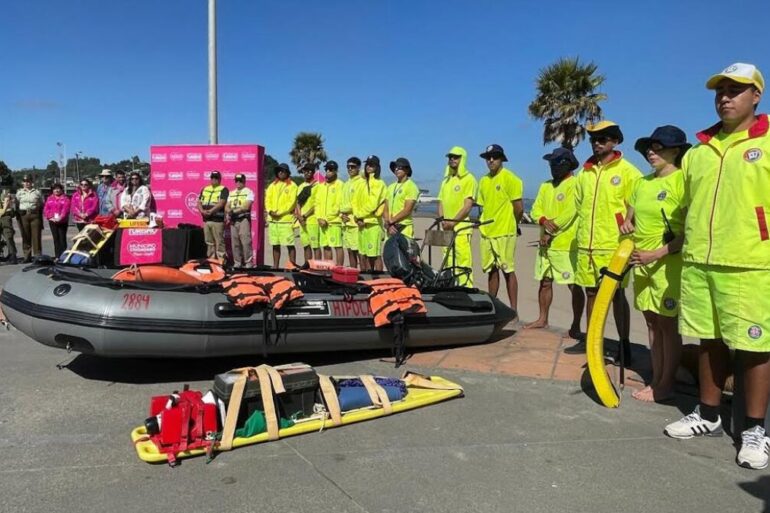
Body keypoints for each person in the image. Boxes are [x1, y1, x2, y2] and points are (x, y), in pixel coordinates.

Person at [662, 63, 770, 469]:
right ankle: (708, 415)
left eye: (736, 90)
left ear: (756, 95)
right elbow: (684, 200)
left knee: (756, 347)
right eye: (720, 90)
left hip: (752, 264)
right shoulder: (700, 151)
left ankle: (756, 430)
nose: (725, 97)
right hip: (700, 263)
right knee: (708, 340)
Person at [619, 126, 690, 402]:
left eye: (659, 147)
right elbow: (631, 219)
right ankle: (657, 376)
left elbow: (689, 231)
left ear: (675, 150)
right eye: (649, 147)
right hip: (641, 262)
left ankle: (665, 383)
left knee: (667, 324)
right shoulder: (642, 183)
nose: (651, 151)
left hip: (668, 263)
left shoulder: (683, 181)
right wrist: (627, 224)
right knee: (651, 321)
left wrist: (657, 254)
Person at [563, 121, 642, 364]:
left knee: (616, 295)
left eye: (603, 139)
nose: (597, 143)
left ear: (615, 141)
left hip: (613, 246)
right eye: (594, 139)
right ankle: (591, 342)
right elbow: (579, 205)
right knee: (591, 293)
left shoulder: (629, 172)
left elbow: (637, 204)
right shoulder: (584, 174)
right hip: (587, 244)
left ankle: (624, 346)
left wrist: (629, 220)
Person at [526, 148, 583, 336]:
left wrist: (551, 230)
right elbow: (535, 209)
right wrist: (543, 220)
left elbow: (570, 213)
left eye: (557, 163)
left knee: (573, 284)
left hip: (565, 245)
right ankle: (543, 318)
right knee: (545, 281)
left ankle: (576, 324)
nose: (553, 167)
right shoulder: (545, 186)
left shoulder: (575, 184)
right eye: (551, 164)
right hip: (545, 245)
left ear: (567, 164)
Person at [477, 144, 524, 311]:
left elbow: (519, 208)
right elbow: (482, 206)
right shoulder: (483, 180)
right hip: (487, 232)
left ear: (502, 159)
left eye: (494, 157)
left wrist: (514, 224)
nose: (490, 160)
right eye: (488, 157)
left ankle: (513, 310)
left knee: (507, 270)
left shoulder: (511, 178)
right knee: (491, 270)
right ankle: (493, 305)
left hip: (504, 231)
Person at [438, 146, 477, 287]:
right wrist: (443, 220)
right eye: (450, 157)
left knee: (463, 262)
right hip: (446, 229)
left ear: (462, 158)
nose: (452, 159)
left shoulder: (469, 179)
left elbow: (467, 206)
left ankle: (467, 289)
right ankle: (449, 288)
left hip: (461, 229)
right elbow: (441, 202)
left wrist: (453, 223)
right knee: (447, 261)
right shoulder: (445, 181)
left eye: (456, 157)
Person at [353, 155, 386, 271]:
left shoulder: (379, 183)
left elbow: (373, 203)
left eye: (371, 165)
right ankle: (366, 279)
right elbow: (355, 201)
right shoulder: (362, 183)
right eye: (367, 164)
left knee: (375, 255)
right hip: (361, 223)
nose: (368, 167)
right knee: (362, 254)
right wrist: (357, 218)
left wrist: (360, 216)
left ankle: (378, 280)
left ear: (377, 167)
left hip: (373, 224)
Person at [265, 163, 297, 267]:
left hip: (286, 220)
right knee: (275, 245)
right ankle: (276, 266)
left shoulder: (292, 185)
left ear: (287, 172)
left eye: (283, 171)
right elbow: (267, 200)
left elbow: (291, 203)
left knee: (290, 245)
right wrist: (270, 211)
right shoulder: (272, 185)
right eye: (279, 171)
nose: (281, 173)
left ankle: (292, 266)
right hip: (273, 220)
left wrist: (278, 212)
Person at [315, 161, 345, 264]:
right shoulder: (321, 185)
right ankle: (328, 269)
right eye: (326, 170)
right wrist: (319, 218)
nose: (328, 172)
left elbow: (339, 204)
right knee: (326, 246)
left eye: (330, 170)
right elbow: (317, 203)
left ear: (336, 171)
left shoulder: (340, 185)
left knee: (337, 246)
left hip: (334, 222)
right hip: (322, 222)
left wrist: (327, 219)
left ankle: (339, 269)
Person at [385, 157, 420, 238]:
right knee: (389, 250)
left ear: (407, 170)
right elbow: (386, 207)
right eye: (395, 167)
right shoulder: (390, 187)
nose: (396, 169)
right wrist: (388, 222)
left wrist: (391, 221)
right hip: (390, 227)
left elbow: (407, 210)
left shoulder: (411, 186)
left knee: (403, 250)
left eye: (400, 167)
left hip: (404, 227)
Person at [197, 171, 229, 260]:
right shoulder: (205, 189)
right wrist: (202, 211)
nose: (214, 180)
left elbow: (222, 203)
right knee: (209, 242)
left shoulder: (223, 189)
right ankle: (211, 261)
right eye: (212, 178)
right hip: (207, 220)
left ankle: (221, 262)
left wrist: (211, 211)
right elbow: (199, 202)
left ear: (220, 179)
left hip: (217, 220)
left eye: (216, 178)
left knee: (219, 242)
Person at [225, 173, 254, 268]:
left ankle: (248, 262)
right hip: (233, 220)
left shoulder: (249, 191)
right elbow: (227, 205)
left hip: (243, 219)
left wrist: (233, 211)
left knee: (246, 242)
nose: (238, 182)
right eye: (236, 180)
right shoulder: (231, 193)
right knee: (235, 243)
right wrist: (229, 210)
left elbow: (246, 206)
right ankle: (237, 263)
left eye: (240, 180)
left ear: (244, 181)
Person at [340, 157, 364, 268]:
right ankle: (353, 274)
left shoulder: (361, 182)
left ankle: (364, 275)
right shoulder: (346, 183)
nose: (350, 169)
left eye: (353, 166)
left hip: (355, 223)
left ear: (358, 167)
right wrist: (342, 215)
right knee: (350, 251)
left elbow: (357, 203)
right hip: (346, 223)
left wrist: (344, 211)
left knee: (359, 252)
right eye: (348, 166)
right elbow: (341, 202)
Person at [15, 175, 43, 263]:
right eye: (25, 181)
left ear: (31, 182)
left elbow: (41, 203)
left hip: (34, 215)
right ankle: (27, 256)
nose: (27, 183)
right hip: (24, 215)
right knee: (25, 236)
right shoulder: (19, 192)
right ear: (22, 183)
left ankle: (37, 256)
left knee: (36, 236)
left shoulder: (37, 192)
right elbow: (16, 204)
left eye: (28, 181)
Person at [296, 163, 320, 263]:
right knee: (306, 245)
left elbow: (316, 204)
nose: (307, 173)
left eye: (309, 171)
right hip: (302, 221)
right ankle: (307, 265)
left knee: (315, 246)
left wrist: (305, 216)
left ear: (313, 172)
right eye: (305, 171)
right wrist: (299, 216)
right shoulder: (301, 186)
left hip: (312, 220)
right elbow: (297, 202)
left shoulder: (318, 186)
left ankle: (318, 266)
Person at [43, 183, 71, 258]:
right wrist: (50, 217)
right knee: (56, 239)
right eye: (55, 189)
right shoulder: (49, 198)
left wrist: (60, 218)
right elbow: (46, 209)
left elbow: (66, 210)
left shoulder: (65, 198)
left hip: (62, 222)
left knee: (62, 239)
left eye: (58, 188)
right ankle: (57, 256)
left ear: (62, 190)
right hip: (52, 221)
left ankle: (63, 256)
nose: (57, 190)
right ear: (52, 190)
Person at [0, 182, 18, 264]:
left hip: (5, 217)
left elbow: (7, 203)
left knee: (8, 236)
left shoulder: (5, 191)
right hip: (2, 214)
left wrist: (3, 210)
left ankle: (12, 255)